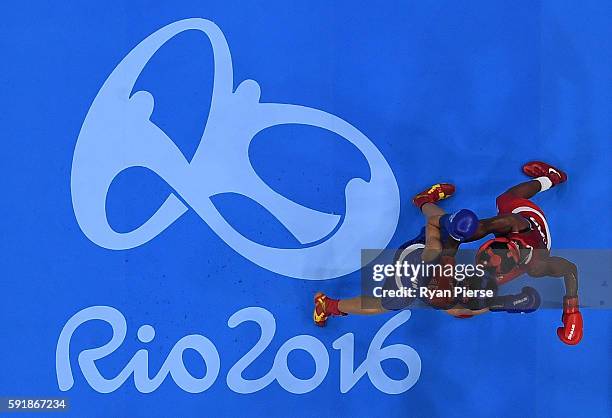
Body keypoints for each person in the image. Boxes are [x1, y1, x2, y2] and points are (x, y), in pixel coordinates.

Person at [314, 181, 540, 325]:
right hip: (414, 261)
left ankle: (329, 305)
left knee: (445, 232)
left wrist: (507, 303)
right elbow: (435, 227)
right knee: (385, 304)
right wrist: (508, 303)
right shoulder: (436, 259)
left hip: (428, 266)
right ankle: (329, 306)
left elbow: (469, 309)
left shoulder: (454, 290)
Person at [461, 161, 582, 345]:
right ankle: (550, 178)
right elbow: (481, 227)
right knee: (503, 202)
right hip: (523, 226)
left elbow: (570, 269)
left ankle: (550, 177)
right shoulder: (509, 224)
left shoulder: (536, 264)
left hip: (535, 228)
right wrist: (454, 234)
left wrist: (572, 310)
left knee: (504, 200)